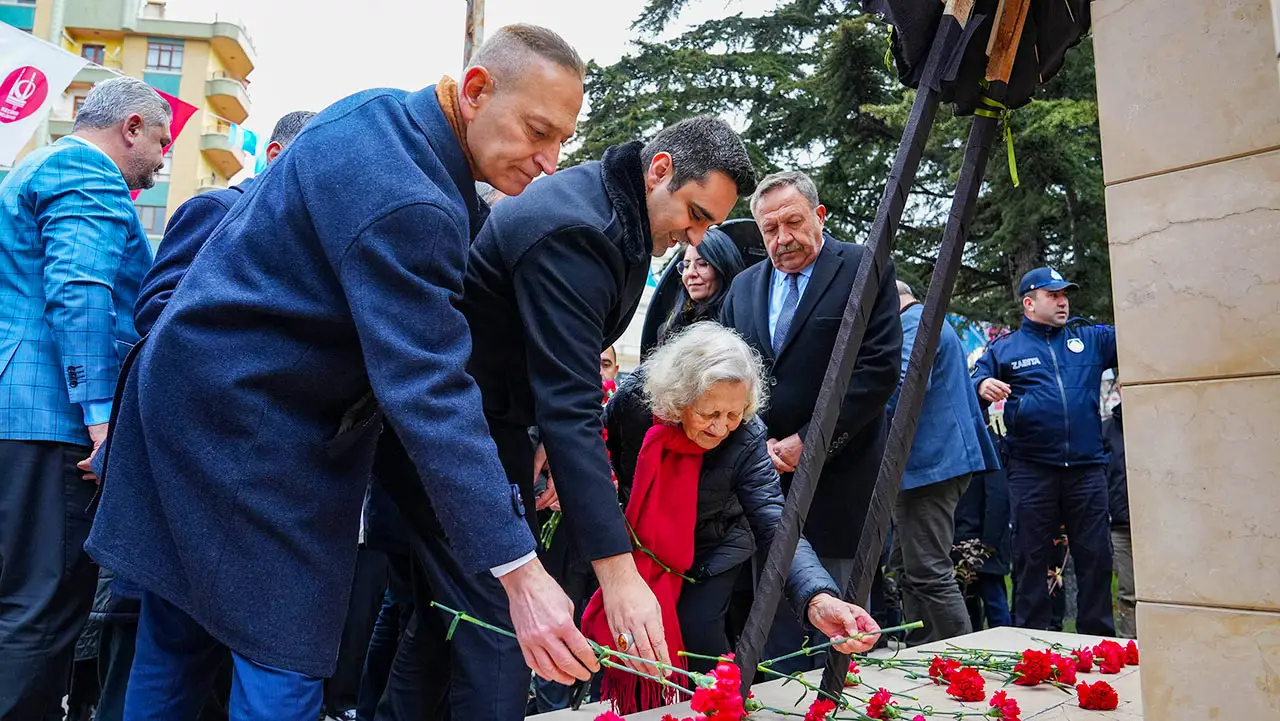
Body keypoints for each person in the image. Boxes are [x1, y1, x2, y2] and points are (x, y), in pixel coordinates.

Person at [84, 25, 595, 720]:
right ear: (475, 91)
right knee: (281, 667)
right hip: (249, 439)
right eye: (539, 130)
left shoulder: (373, 111)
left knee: (175, 649)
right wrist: (520, 569)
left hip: (190, 411)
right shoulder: (410, 198)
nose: (549, 160)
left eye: (563, 139)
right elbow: (429, 389)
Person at [375, 113, 756, 719]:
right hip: (457, 433)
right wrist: (620, 573)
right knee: (502, 627)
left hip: (489, 423)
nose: (695, 237)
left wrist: (539, 432)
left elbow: (553, 370)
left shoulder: (616, 216)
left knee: (441, 624)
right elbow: (572, 403)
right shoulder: (582, 228)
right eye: (695, 213)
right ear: (660, 171)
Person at [593, 323, 880, 712]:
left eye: (733, 413)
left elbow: (776, 522)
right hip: (640, 542)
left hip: (715, 548)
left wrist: (818, 597)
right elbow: (596, 451)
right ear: (678, 400)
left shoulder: (745, 437)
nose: (720, 427)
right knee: (628, 635)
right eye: (709, 412)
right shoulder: (634, 406)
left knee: (700, 637)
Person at [0, 75, 168, 718]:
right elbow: (82, 294)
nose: (160, 160)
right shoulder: (88, 173)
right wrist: (100, 420)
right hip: (53, 424)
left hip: (21, 417)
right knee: (40, 614)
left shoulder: (33, 165)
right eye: (159, 141)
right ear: (130, 127)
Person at [720, 170, 901, 672]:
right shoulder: (743, 288)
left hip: (838, 477)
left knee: (835, 622)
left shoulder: (864, 269)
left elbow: (877, 369)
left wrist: (813, 442)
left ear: (820, 217)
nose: (783, 239)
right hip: (762, 479)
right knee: (773, 620)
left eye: (794, 223)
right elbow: (735, 376)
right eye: (770, 230)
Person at [971, 267, 1118, 636]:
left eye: (1065, 294)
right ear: (1029, 303)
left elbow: (1138, 335)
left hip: (1086, 468)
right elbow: (972, 379)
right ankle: (1032, 641)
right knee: (1031, 558)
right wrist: (983, 383)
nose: (1063, 301)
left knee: (1096, 558)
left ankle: (1098, 640)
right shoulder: (1006, 347)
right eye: (1053, 295)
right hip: (1031, 469)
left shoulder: (1090, 339)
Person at [888, 281, 1000, 644]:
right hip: (929, 466)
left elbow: (899, 389)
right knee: (908, 568)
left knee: (928, 571)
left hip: (929, 466)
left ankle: (961, 656)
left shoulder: (913, 324)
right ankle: (926, 652)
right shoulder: (924, 321)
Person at [952, 425, 1014, 631]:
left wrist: (988, 544)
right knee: (968, 606)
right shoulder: (961, 441)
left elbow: (997, 496)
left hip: (984, 541)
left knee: (994, 605)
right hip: (965, 538)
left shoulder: (986, 443)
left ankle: (1006, 650)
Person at [654, 228, 747, 343]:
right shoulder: (672, 324)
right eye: (686, 265)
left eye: (702, 264)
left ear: (723, 268)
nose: (690, 274)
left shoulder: (741, 325)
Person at [1102, 398, 1134, 638]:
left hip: (1158, 526)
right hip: (1121, 525)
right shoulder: (1107, 430)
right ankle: (1130, 645)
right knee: (1128, 591)